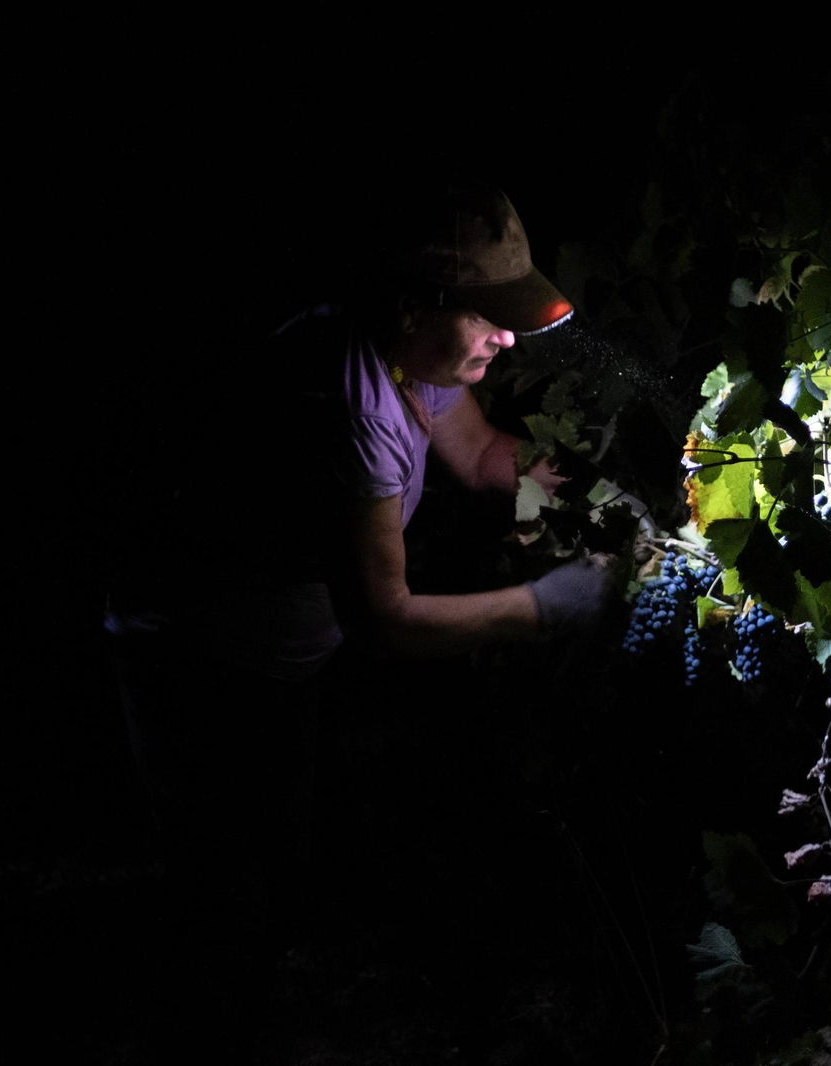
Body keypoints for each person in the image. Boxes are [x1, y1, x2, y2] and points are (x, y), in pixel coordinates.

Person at [103, 185, 613, 1058]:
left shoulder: (411, 357)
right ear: (414, 304)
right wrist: (545, 608)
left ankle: (247, 1005)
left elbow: (482, 454)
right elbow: (390, 619)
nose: (506, 337)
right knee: (229, 882)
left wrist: (599, 493)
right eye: (486, 316)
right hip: (198, 658)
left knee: (278, 854)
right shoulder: (350, 406)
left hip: (279, 654)